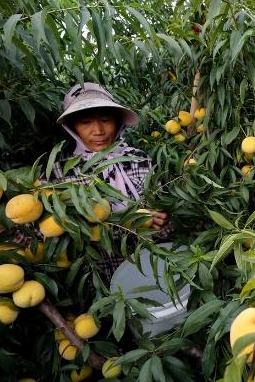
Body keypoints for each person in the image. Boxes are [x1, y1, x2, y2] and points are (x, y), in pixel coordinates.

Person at [51, 82, 170, 282]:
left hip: (149, 269)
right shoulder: (60, 173)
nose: (98, 130)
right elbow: (64, 236)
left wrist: (162, 221)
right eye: (86, 122)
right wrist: (129, 222)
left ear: (117, 122)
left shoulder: (137, 160)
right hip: (98, 280)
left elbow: (162, 219)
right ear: (73, 128)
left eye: (106, 120)